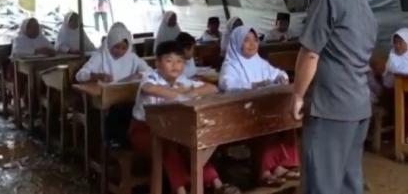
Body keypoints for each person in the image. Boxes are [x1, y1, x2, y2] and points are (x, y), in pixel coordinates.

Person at [292, 0, 377, 194]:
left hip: (331, 108)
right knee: (349, 181)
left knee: (322, 183)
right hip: (359, 107)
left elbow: (310, 55)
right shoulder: (365, 5)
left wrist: (297, 95)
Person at [129, 41, 240, 194]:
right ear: (158, 63)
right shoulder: (151, 77)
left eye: (179, 61)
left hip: (173, 130)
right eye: (169, 61)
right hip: (144, 130)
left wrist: (189, 94)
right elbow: (150, 88)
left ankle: (217, 184)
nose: (175, 65)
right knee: (166, 147)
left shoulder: (183, 81)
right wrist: (178, 95)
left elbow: (212, 88)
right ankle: (181, 190)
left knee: (193, 146)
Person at [219, 26, 299, 186]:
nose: (252, 44)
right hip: (240, 116)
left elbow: (278, 73)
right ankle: (265, 170)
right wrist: (257, 84)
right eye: (246, 40)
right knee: (264, 126)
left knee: (287, 121)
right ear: (236, 42)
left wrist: (281, 78)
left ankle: (280, 165)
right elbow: (228, 85)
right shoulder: (231, 65)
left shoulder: (260, 62)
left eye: (255, 39)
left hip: (262, 111)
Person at [76, 22, 150, 83]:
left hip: (129, 95)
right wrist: (97, 76)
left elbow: (149, 71)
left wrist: (139, 75)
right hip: (105, 97)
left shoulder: (132, 58)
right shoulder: (100, 57)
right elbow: (80, 75)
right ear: (110, 44)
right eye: (116, 47)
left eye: (124, 48)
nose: (120, 51)